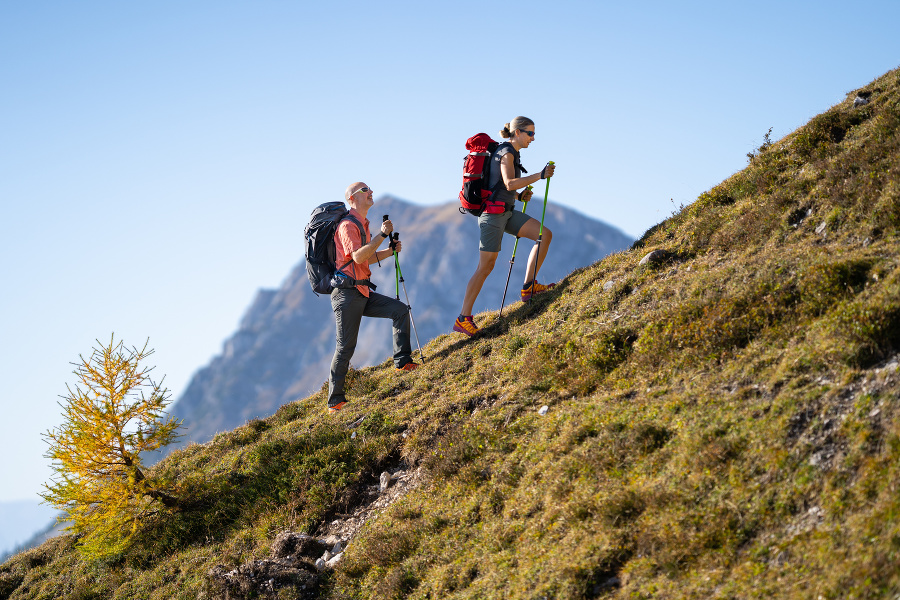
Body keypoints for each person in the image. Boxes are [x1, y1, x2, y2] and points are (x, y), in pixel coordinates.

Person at [453, 116, 557, 337]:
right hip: (492, 217)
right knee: (485, 267)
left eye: (534, 133)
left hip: (506, 212)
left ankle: (529, 287)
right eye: (530, 133)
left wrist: (519, 195)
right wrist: (539, 176)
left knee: (543, 235)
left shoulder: (511, 152)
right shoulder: (506, 152)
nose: (533, 138)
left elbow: (501, 186)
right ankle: (463, 318)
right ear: (517, 132)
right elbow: (509, 182)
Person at [328, 182, 418, 413]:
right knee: (346, 346)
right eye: (365, 190)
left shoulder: (362, 224)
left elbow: (365, 256)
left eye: (370, 189)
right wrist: (382, 235)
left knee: (399, 310)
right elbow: (358, 257)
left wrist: (390, 250)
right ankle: (335, 401)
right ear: (352, 199)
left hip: (361, 291)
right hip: (347, 294)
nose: (370, 192)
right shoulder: (348, 225)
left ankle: (403, 362)